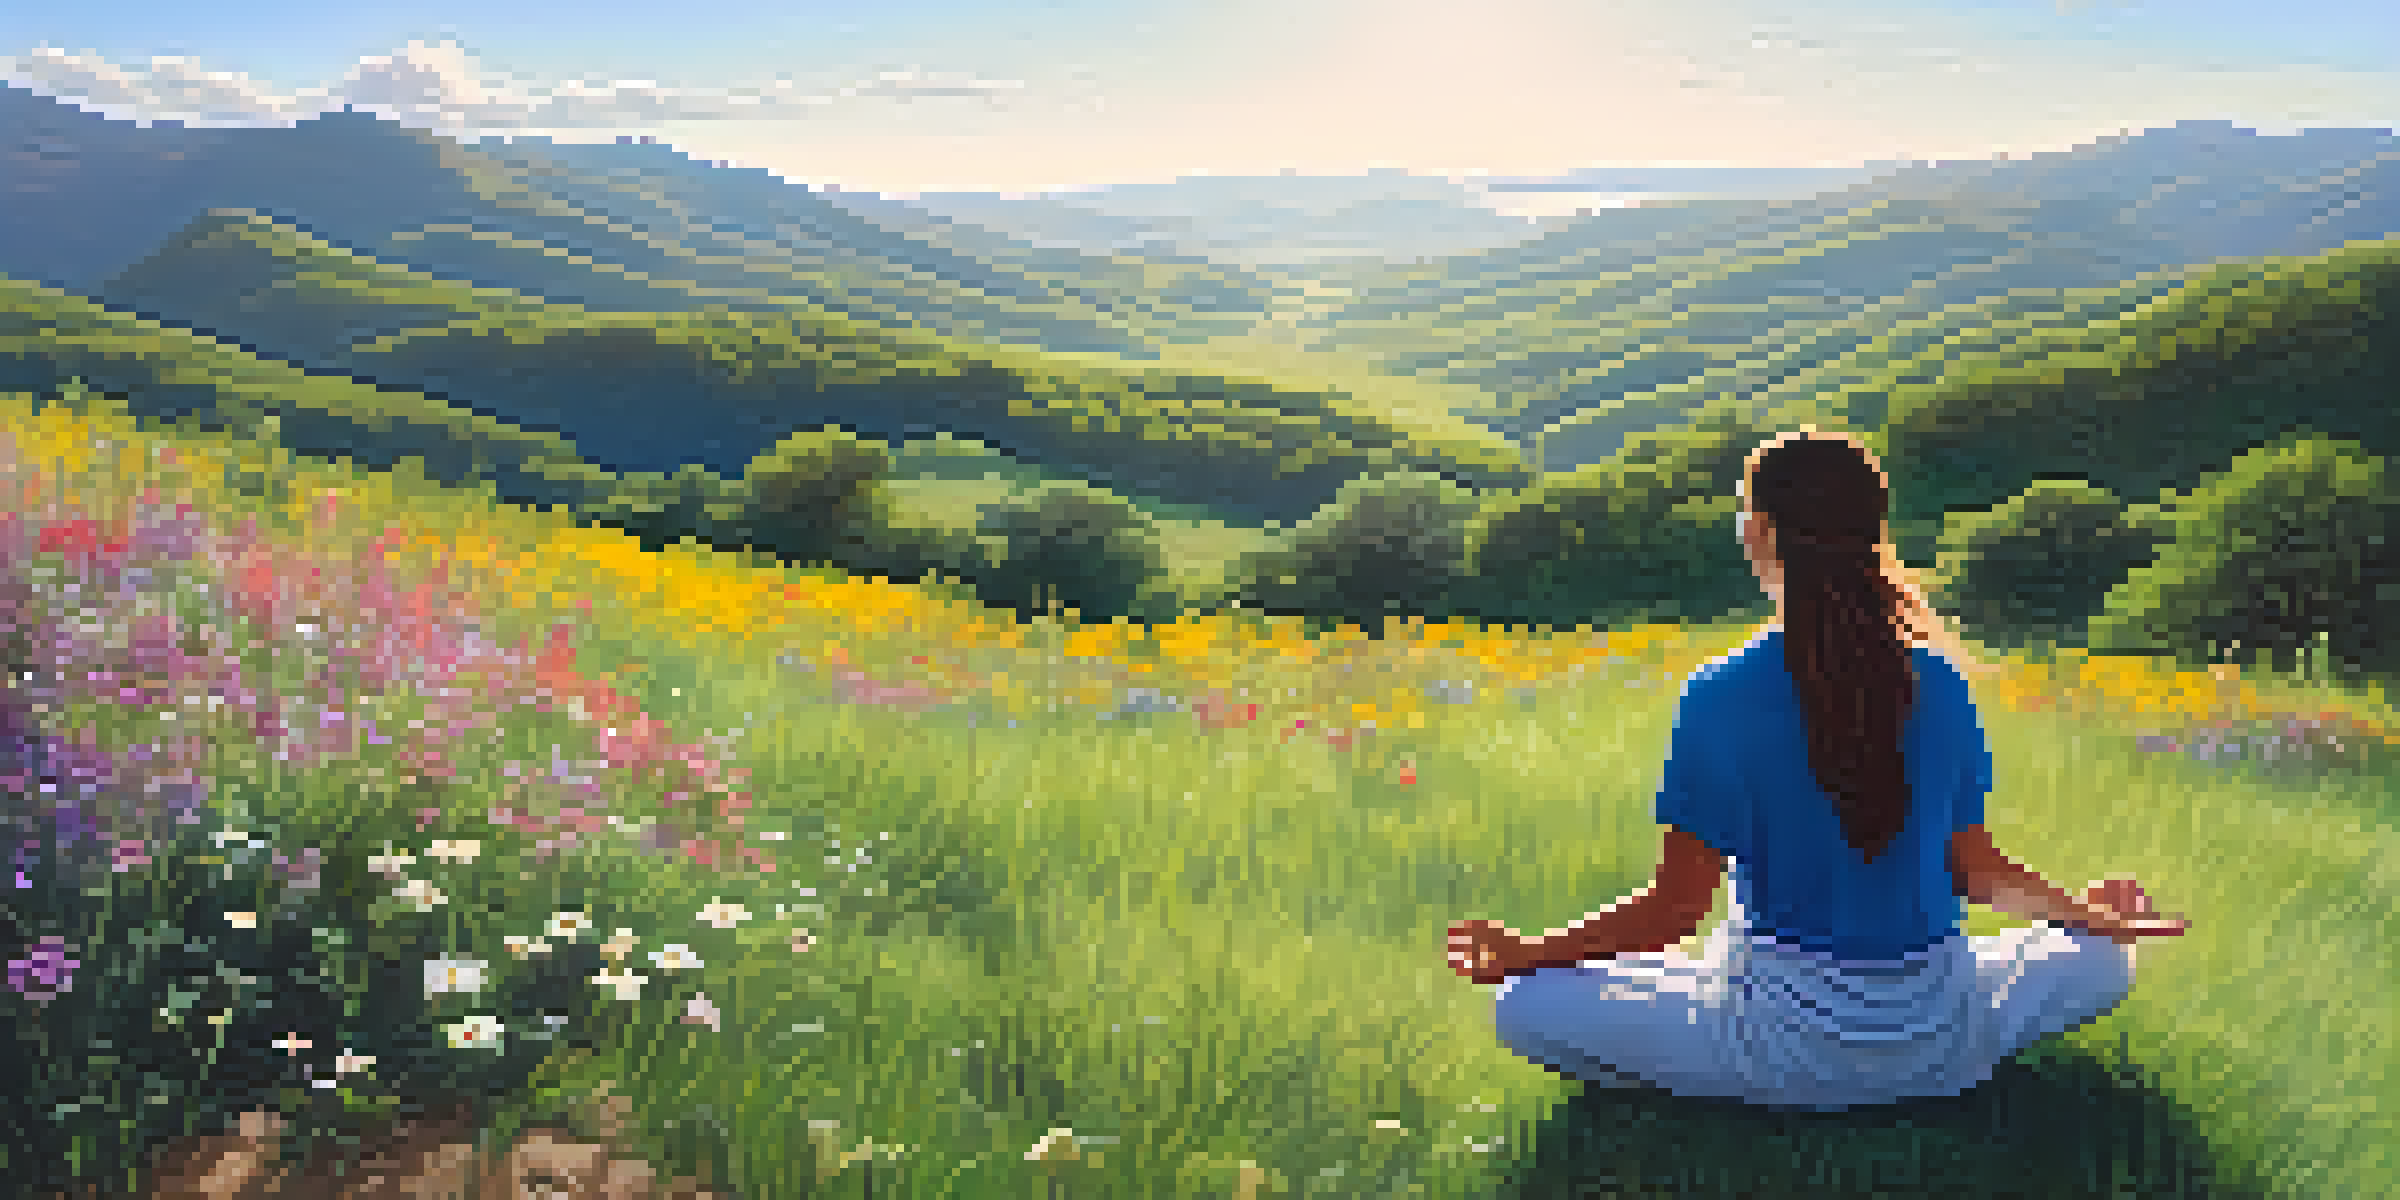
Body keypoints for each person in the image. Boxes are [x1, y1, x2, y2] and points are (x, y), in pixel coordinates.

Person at [1445, 427, 2190, 1111]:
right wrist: (2088, 920)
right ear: (1873, 534)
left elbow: (1675, 910)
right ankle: (2063, 956)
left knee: (1523, 1005)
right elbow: (1977, 871)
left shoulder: (1718, 693)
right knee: (2102, 962)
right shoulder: (1938, 679)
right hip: (1942, 1041)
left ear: (1761, 532)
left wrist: (1527, 952)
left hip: (1777, 1051)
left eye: (1745, 511)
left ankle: (1744, 1065)